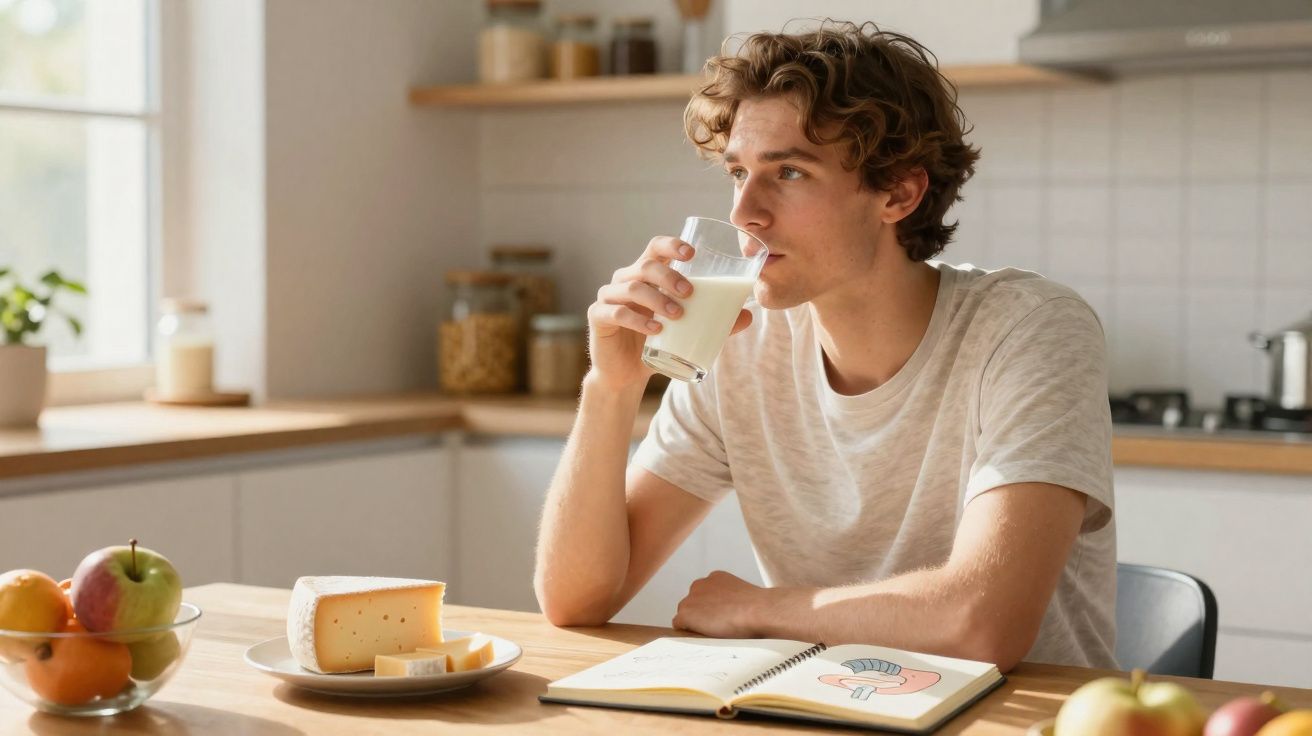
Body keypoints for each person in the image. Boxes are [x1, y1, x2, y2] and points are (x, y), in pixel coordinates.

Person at [533, 20, 1115, 671]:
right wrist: (609, 388)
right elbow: (575, 601)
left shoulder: (1029, 328)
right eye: (738, 173)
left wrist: (763, 608)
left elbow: (980, 624)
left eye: (789, 172)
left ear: (899, 192)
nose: (745, 213)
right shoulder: (742, 344)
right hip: (833, 709)